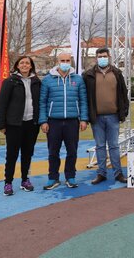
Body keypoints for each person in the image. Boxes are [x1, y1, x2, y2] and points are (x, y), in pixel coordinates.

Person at [39, 52, 89, 190]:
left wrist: (84, 119)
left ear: (71, 61)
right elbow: (42, 102)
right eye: (63, 60)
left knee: (72, 151)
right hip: (53, 121)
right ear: (58, 61)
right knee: (53, 152)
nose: (65, 63)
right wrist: (43, 121)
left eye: (67, 60)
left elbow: (83, 100)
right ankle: (53, 178)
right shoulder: (47, 80)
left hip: (72, 121)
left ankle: (70, 177)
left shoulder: (78, 79)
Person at [0, 56, 41, 196]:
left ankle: (25, 180)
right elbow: (2, 104)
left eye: (27, 63)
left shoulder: (37, 82)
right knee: (12, 155)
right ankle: (8, 182)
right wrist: (1, 124)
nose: (25, 65)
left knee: (27, 154)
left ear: (31, 66)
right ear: (17, 66)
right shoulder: (10, 81)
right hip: (14, 124)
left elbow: (40, 102)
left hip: (31, 124)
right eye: (22, 63)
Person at [83, 47, 129, 185]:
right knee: (100, 146)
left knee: (114, 146)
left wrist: (124, 112)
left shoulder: (117, 73)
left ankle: (118, 173)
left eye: (104, 56)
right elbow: (84, 96)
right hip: (96, 117)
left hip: (113, 116)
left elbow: (123, 93)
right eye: (100, 56)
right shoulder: (88, 75)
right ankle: (101, 173)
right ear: (96, 58)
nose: (102, 58)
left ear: (109, 57)